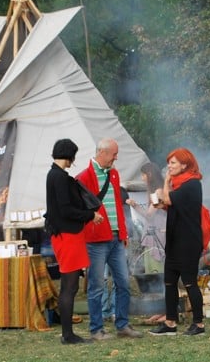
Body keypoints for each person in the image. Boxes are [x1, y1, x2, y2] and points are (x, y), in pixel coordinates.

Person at [75, 138, 143, 340]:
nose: (116, 158)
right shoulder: (84, 177)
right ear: (102, 153)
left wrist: (123, 232)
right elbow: (80, 210)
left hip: (115, 238)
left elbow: (118, 206)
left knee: (123, 282)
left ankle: (122, 325)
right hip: (95, 240)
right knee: (97, 285)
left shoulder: (113, 174)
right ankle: (96, 330)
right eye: (113, 154)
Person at [45, 139, 101, 344]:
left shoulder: (55, 175)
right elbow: (66, 209)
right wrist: (89, 215)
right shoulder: (58, 177)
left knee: (70, 286)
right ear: (70, 155)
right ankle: (67, 334)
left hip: (66, 235)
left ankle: (68, 333)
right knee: (69, 286)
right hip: (67, 236)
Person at [149, 148, 206, 336]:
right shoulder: (179, 185)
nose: (169, 166)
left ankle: (198, 324)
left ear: (184, 165)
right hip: (175, 239)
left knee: (189, 282)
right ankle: (170, 322)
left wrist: (165, 182)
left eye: (173, 163)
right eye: (169, 162)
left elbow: (168, 199)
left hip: (189, 241)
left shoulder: (192, 184)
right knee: (169, 282)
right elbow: (168, 204)